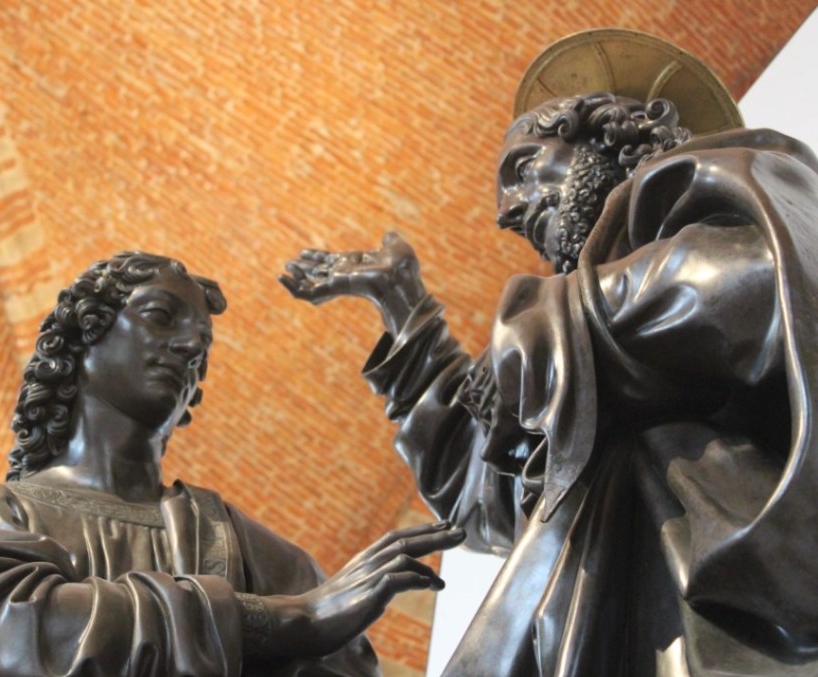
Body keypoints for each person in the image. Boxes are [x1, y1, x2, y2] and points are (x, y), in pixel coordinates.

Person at [281, 90, 818, 675]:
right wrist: (403, 306)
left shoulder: (727, 177)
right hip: (586, 630)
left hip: (730, 617)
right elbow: (485, 497)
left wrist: (551, 325)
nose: (509, 212)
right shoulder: (571, 366)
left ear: (608, 136)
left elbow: (757, 287)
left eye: (524, 169)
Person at [0, 251, 465, 676]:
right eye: (161, 317)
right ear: (83, 339)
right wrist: (281, 622)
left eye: (202, 346)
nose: (189, 348)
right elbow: (10, 638)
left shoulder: (258, 555)